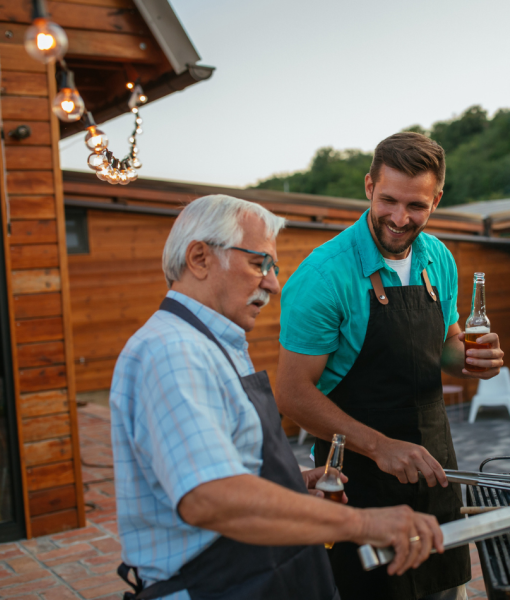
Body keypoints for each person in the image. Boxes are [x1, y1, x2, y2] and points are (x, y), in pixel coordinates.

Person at [109, 195, 443, 600]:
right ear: (199, 258)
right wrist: (363, 524)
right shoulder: (174, 351)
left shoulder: (211, 344)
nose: (272, 283)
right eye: (258, 263)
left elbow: (216, 466)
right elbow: (209, 499)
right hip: (212, 585)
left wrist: (288, 483)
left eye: (273, 268)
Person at [276, 132, 505, 600]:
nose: (400, 219)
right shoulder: (322, 277)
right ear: (368, 187)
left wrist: (471, 359)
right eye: (389, 200)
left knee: (445, 589)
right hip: (357, 482)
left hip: (436, 468)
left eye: (416, 205)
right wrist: (380, 447)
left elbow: (444, 346)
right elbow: (294, 394)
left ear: (437, 199)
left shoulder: (438, 258)